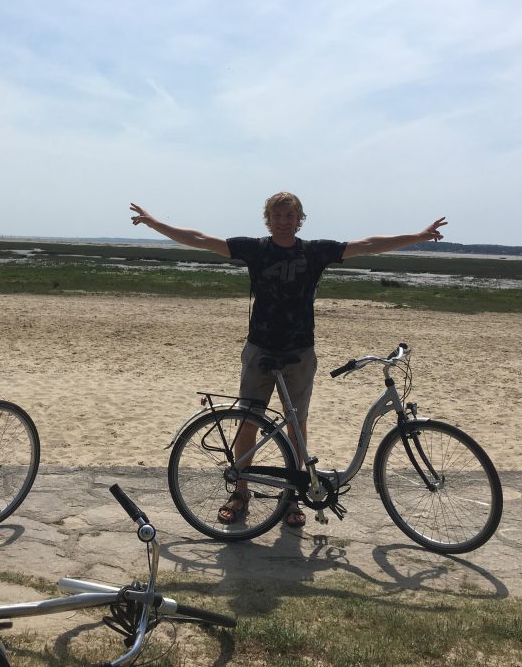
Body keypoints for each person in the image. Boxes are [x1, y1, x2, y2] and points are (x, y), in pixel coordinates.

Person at [130, 194, 447, 528]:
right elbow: (201, 240)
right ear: (268, 219)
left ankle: (293, 496)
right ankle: (240, 491)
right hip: (260, 348)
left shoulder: (314, 252)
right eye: (277, 215)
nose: (283, 220)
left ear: (300, 219)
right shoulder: (256, 249)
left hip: (299, 351)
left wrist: (419, 236)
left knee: (297, 425)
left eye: (290, 215)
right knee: (248, 421)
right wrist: (154, 223)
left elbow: (368, 244)